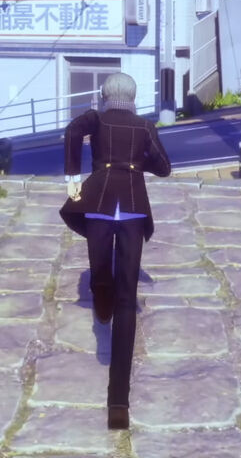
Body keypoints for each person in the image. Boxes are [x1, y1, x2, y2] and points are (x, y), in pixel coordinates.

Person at [58, 72, 171, 431]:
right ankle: (118, 403)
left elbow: (72, 131)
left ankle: (101, 291)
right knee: (127, 297)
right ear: (133, 97)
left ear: (105, 95)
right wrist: (137, 160)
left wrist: (72, 178)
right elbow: (165, 168)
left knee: (100, 272)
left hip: (99, 204)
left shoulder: (96, 119)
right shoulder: (145, 126)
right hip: (134, 209)